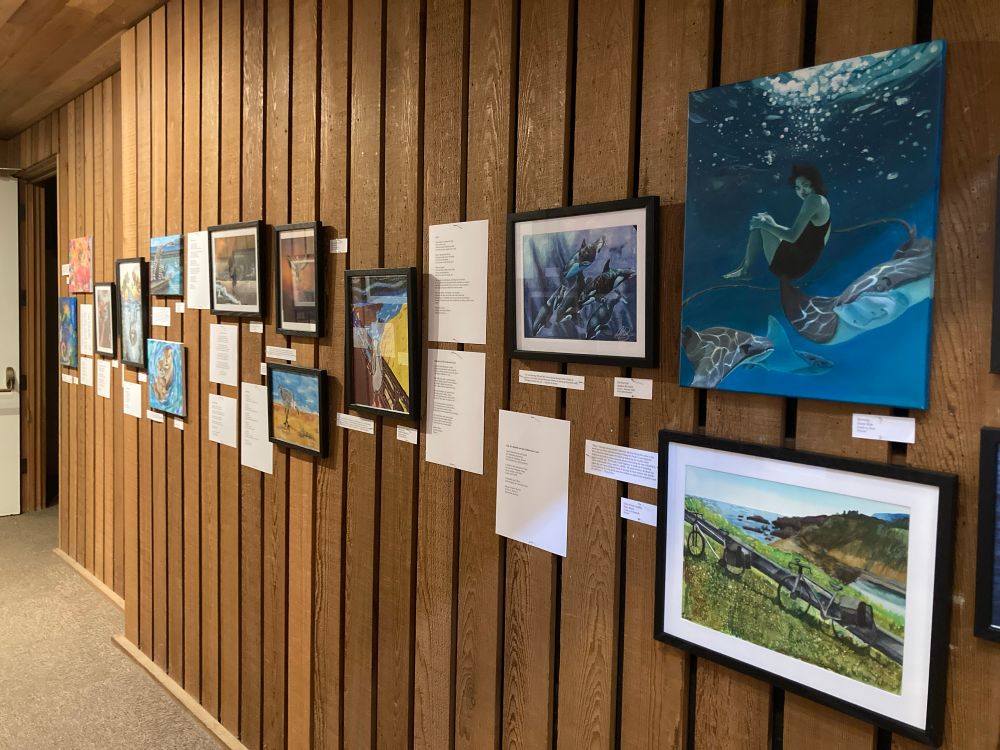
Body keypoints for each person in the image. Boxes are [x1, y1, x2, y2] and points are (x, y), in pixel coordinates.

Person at [723, 164, 831, 280]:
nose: (802, 191)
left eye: (805, 185)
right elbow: (808, 238)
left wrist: (764, 225)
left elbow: (792, 237)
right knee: (765, 219)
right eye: (797, 188)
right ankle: (745, 269)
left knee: (763, 223)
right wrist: (768, 224)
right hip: (801, 258)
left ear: (815, 183)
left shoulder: (813, 200)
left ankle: (746, 270)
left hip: (792, 269)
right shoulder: (820, 200)